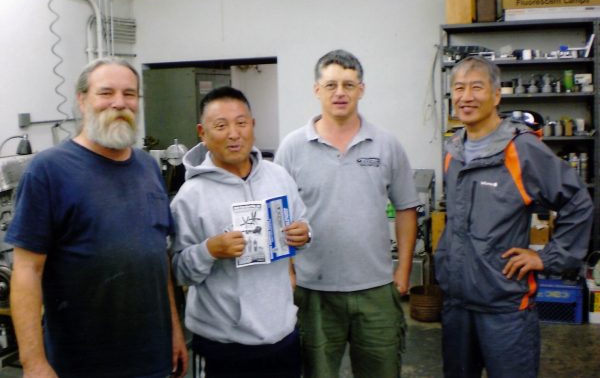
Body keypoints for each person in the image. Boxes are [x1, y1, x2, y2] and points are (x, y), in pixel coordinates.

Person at [5, 57, 188, 378]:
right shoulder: (48, 171)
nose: (119, 103)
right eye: (106, 93)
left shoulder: (147, 167)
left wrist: (174, 330)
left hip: (151, 357)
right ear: (82, 100)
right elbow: (26, 271)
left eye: (129, 94)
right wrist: (33, 362)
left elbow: (158, 259)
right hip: (80, 363)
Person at [435, 56, 593, 378]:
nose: (466, 97)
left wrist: (547, 257)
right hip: (458, 303)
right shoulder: (453, 152)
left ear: (496, 96)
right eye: (459, 88)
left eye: (476, 87)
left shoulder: (520, 149)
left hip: (504, 307)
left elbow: (578, 201)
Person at [275, 49, 420, 378]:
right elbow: (278, 215)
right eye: (331, 85)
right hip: (314, 292)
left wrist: (403, 271)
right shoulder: (292, 148)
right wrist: (289, 273)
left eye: (348, 85)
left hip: (376, 290)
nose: (340, 92)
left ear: (361, 90)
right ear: (317, 90)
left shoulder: (386, 144)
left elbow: (406, 208)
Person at [170, 86, 311, 378]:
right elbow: (179, 272)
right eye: (221, 126)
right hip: (222, 345)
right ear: (202, 133)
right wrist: (209, 250)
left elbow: (303, 224)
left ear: (253, 126)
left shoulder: (278, 177)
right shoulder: (190, 196)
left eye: (241, 123)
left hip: (281, 335)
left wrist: (304, 235)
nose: (234, 134)